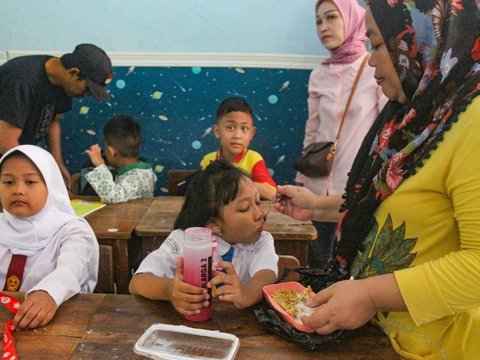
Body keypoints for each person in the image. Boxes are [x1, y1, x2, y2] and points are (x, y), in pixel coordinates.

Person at [275, 0, 480, 357]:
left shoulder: (472, 123)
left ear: (419, 39)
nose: (370, 59)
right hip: (385, 340)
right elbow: (387, 205)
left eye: (377, 44)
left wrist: (370, 295)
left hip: (441, 345)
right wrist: (316, 206)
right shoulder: (412, 115)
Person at [297, 0, 387, 269]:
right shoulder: (318, 74)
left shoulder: (373, 66)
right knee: (314, 265)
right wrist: (301, 182)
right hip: (315, 189)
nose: (324, 27)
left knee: (346, 267)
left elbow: (385, 128)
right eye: (318, 21)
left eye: (331, 18)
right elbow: (311, 132)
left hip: (353, 187)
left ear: (352, 19)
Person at [129, 160, 278, 316]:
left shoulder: (261, 241)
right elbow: (137, 283)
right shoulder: (185, 240)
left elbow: (266, 275)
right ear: (214, 224)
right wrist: (169, 290)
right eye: (244, 208)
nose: (260, 214)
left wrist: (246, 293)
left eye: (258, 201)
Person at [0, 145, 99, 330]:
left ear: (51, 187)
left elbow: (72, 268)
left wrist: (49, 293)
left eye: (30, 182)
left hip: (54, 325)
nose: (18, 190)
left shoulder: (72, 230)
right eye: (8, 182)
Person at [0, 43, 113, 189]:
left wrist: (57, 163)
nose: (87, 95)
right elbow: (5, 142)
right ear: (73, 73)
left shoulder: (61, 81)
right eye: (87, 89)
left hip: (15, 151)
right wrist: (37, 173)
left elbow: (53, 121)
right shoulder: (22, 82)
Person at [200, 96, 277, 201]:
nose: (237, 135)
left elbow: (272, 193)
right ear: (217, 131)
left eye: (244, 128)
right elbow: (201, 193)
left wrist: (237, 185)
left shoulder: (253, 159)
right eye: (230, 127)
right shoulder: (208, 160)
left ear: (251, 133)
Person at [84, 114, 157, 204]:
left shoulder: (135, 176)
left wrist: (100, 165)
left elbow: (112, 197)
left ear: (112, 151)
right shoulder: (145, 169)